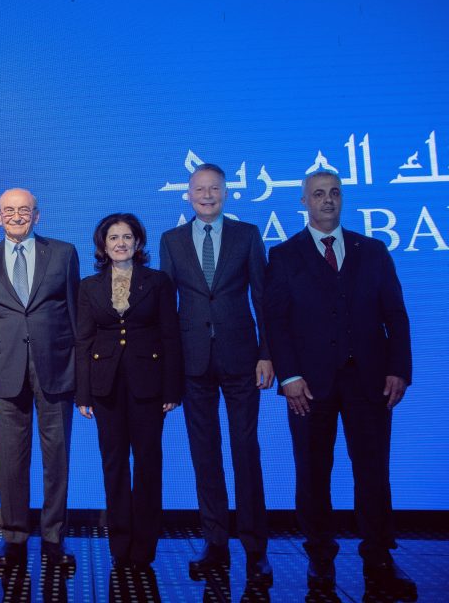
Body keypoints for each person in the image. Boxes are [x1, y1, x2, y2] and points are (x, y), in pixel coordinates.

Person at [264, 170, 415, 599]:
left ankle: (379, 557)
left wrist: (399, 369)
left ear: (342, 198)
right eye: (318, 194)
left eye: (333, 193)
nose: (327, 200)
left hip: (370, 381)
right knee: (313, 473)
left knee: (373, 472)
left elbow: (395, 315)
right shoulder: (284, 255)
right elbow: (276, 321)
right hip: (308, 386)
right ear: (304, 202)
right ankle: (320, 558)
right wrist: (289, 376)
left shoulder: (374, 250)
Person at [158, 164, 273, 584]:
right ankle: (215, 543)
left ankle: (256, 548)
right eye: (200, 189)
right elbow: (166, 309)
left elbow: (263, 298)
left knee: (246, 451)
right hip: (193, 363)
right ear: (188, 194)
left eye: (214, 189)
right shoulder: (171, 240)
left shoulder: (247, 235)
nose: (207, 195)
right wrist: (169, 368)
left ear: (226, 193)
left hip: (242, 358)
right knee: (204, 454)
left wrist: (267, 354)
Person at [0, 188, 79, 571]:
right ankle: (14, 537)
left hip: (57, 370)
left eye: (25, 210)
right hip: (2, 373)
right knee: (9, 460)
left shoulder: (63, 254)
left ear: (37, 215)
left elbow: (76, 316)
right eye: (9, 211)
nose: (17, 216)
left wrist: (81, 375)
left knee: (57, 459)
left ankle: (54, 538)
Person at [76, 213, 182, 570]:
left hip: (149, 385)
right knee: (114, 463)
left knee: (149, 463)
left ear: (138, 243)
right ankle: (120, 544)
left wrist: (172, 388)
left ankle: (144, 547)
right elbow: (83, 340)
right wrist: (83, 393)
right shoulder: (88, 286)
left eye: (126, 237)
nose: (120, 243)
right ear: (103, 246)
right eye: (113, 238)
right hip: (105, 386)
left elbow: (170, 335)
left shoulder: (158, 282)